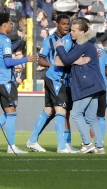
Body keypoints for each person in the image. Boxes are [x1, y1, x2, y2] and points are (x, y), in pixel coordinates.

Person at [25, 15, 78, 153]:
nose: (66, 26)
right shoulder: (49, 40)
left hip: (65, 80)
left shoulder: (71, 39)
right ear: (57, 24)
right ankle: (61, 146)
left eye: (68, 24)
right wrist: (54, 64)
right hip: (54, 78)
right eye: (63, 24)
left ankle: (32, 140)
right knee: (61, 110)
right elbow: (41, 60)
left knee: (50, 110)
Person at [0, 12, 37, 154]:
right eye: (10, 23)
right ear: (4, 24)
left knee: (7, 112)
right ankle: (11, 146)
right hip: (5, 80)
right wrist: (25, 59)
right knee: (11, 114)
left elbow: (1, 61)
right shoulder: (5, 40)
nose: (11, 25)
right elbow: (8, 61)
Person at [56, 17, 105, 154]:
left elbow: (65, 59)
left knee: (76, 113)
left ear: (82, 32)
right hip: (96, 84)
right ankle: (99, 147)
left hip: (87, 84)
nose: (70, 32)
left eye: (73, 30)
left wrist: (59, 46)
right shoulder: (90, 44)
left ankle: (87, 143)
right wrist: (76, 61)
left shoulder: (82, 45)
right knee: (91, 117)